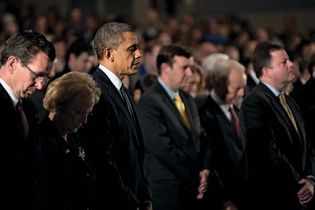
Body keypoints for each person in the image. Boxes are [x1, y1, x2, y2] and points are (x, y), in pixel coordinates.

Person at [79, 22, 152, 210]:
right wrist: (131, 202)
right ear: (109, 54)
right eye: (131, 49)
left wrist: (144, 196)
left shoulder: (121, 89)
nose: (139, 54)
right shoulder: (96, 92)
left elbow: (135, 151)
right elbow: (104, 161)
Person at [240, 41, 315, 210]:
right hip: (275, 197)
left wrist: (310, 178)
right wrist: (299, 183)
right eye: (284, 62)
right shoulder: (254, 103)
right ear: (266, 71)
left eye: (289, 60)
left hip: (302, 195)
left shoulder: (290, 101)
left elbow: (307, 145)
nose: (291, 64)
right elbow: (267, 150)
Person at [137, 45, 211, 210]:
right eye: (184, 68)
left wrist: (205, 169)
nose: (190, 74)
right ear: (165, 68)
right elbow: (163, 150)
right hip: (169, 192)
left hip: (193, 189)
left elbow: (202, 139)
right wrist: (196, 176)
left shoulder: (187, 99)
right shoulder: (149, 103)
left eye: (191, 68)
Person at [0, 30, 55, 208]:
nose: (40, 85)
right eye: (37, 75)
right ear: (13, 64)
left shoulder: (28, 108)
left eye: (45, 78)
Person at [37, 71, 101, 210]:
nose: (84, 120)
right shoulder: (41, 141)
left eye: (87, 113)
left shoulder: (75, 136)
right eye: (78, 113)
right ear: (58, 106)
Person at [198, 59, 247, 209]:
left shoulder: (239, 112)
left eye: (243, 87)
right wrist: (223, 199)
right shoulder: (202, 114)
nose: (242, 93)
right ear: (219, 84)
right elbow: (208, 162)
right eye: (236, 88)